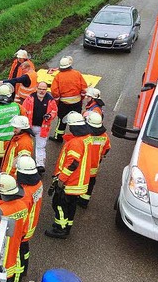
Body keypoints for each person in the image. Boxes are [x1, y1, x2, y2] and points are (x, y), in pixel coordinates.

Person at [45, 111, 93, 239]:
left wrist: (61, 179)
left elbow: (72, 164)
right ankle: (67, 226)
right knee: (71, 206)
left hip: (71, 182)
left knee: (58, 204)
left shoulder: (76, 142)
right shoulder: (86, 138)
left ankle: (60, 229)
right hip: (79, 182)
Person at [15, 155, 44, 282]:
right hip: (32, 225)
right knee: (25, 249)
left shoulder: (25, 193)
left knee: (17, 256)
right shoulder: (38, 183)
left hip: (24, 228)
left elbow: (21, 214)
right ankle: (25, 269)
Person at [21, 81, 58, 174]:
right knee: (26, 145)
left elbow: (54, 111)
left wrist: (49, 116)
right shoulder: (30, 98)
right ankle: (25, 164)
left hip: (42, 128)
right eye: (40, 89)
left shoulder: (50, 99)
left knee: (40, 146)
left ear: (46, 90)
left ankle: (40, 165)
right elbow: (23, 110)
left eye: (44, 89)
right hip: (29, 126)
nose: (42, 91)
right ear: (36, 88)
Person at [50, 56, 88, 142]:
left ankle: (58, 137)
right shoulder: (77, 74)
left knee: (61, 120)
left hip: (64, 103)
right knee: (76, 120)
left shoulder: (58, 76)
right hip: (77, 103)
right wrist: (81, 98)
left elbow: (54, 91)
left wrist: (57, 102)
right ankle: (77, 138)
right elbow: (84, 88)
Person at [78, 111, 111, 209]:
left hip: (82, 164)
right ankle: (84, 201)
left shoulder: (85, 135)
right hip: (94, 166)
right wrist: (100, 157)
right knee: (90, 183)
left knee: (79, 181)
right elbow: (107, 148)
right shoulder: (104, 136)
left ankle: (76, 196)